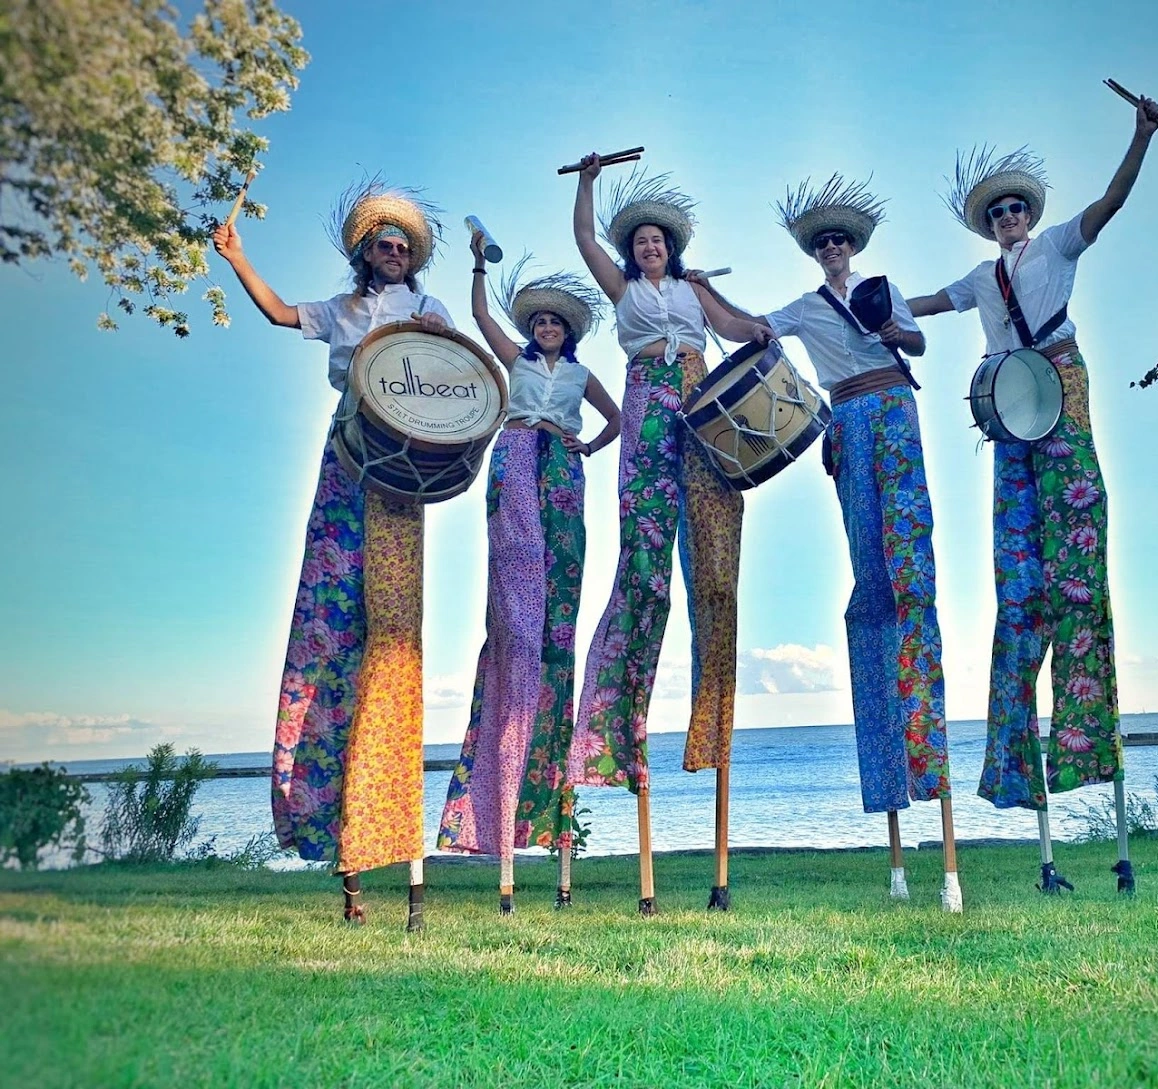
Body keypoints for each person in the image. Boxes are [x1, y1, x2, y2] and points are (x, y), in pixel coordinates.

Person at [908, 98, 1158, 894]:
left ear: (1030, 213)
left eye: (1017, 206)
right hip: (1007, 421)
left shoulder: (1056, 246)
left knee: (1081, 575)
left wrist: (1141, 135)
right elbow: (921, 307)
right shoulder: (981, 278)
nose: (1010, 217)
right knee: (1019, 594)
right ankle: (1031, 805)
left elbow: (1111, 204)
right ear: (988, 224)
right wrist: (865, 310)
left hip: (1061, 389)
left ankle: (1100, 777)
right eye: (999, 212)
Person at [699, 174, 961, 911]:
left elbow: (917, 341)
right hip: (846, 418)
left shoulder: (881, 286)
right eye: (823, 244)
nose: (833, 249)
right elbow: (748, 328)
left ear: (854, 247)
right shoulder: (807, 308)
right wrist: (699, 292)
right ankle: (890, 805)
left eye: (840, 240)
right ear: (815, 255)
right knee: (869, 584)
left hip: (893, 404)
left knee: (914, 575)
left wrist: (891, 329)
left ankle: (931, 781)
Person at [211, 178, 451, 930]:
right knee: (331, 631)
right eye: (383, 241)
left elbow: (457, 379)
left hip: (405, 471)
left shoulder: (427, 311)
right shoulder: (343, 310)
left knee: (393, 640)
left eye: (403, 243)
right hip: (347, 462)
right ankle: (344, 859)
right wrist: (236, 258)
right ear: (364, 251)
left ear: (413, 256)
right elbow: (283, 314)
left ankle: (395, 840)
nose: (393, 249)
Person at [563, 156, 773, 914]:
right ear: (633, 251)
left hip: (703, 401)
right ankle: (617, 735)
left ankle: (710, 733)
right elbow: (584, 235)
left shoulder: (693, 288)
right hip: (646, 401)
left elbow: (738, 327)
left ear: (672, 246)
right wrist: (588, 178)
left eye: (658, 240)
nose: (650, 247)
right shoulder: (623, 291)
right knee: (645, 572)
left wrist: (763, 329)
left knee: (714, 575)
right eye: (641, 241)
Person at [437, 239, 621, 914]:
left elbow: (619, 418)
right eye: (539, 322)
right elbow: (480, 318)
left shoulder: (577, 375)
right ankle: (500, 812)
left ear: (567, 332)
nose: (546, 330)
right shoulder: (514, 360)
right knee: (516, 617)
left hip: (563, 470)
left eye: (555, 324)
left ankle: (553, 822)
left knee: (558, 624)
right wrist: (480, 267)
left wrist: (590, 447)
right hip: (515, 457)